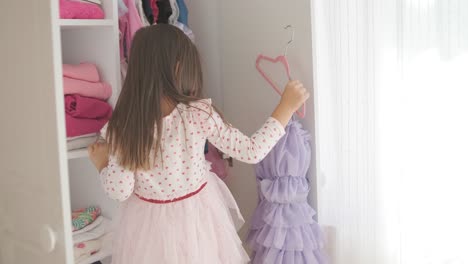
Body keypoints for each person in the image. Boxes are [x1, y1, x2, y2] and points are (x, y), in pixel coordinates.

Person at [88, 24, 309, 264]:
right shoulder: (198, 114)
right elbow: (252, 150)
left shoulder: (125, 126)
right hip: (198, 220)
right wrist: (285, 108)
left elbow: (120, 190)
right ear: (178, 67)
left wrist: (102, 164)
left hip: (148, 228)